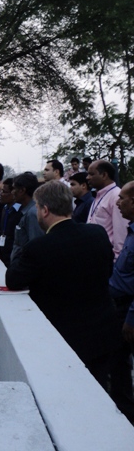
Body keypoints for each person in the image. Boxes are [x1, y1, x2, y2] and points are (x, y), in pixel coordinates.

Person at [6, 181, 120, 390]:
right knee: (100, 390)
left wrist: (20, 244)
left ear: (45, 210)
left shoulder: (38, 248)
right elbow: (108, 272)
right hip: (104, 332)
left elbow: (13, 279)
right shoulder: (97, 234)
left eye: (38, 208)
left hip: (64, 339)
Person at [107, 181, 134, 423]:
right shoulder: (131, 230)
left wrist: (131, 318)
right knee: (119, 363)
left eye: (123, 198)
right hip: (120, 307)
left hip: (129, 311)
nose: (118, 201)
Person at [87, 160, 128, 259]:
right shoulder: (99, 195)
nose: (87, 177)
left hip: (109, 260)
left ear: (104, 175)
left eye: (91, 174)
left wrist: (117, 262)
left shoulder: (116, 196)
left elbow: (121, 233)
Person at [9, 172, 44, 263]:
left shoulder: (32, 213)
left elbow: (35, 247)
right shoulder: (27, 211)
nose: (12, 192)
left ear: (22, 190)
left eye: (14, 188)